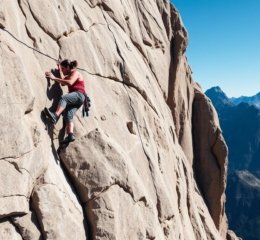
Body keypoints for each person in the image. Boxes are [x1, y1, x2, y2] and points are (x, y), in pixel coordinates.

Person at [45, 59, 86, 144]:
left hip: (78, 94)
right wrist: (59, 69)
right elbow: (63, 82)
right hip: (79, 99)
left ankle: (55, 116)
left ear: (68, 67)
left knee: (64, 98)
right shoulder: (70, 74)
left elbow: (70, 82)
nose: (63, 71)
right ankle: (70, 135)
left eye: (63, 69)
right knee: (68, 115)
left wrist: (54, 78)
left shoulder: (76, 73)